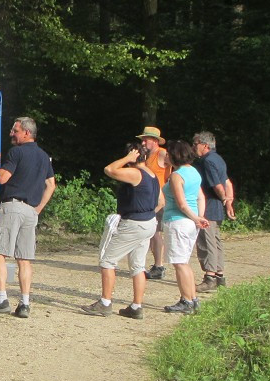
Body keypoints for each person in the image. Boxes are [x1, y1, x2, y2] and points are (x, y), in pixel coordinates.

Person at [0, 117, 56, 319]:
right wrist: (38, 209)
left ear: (27, 133)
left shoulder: (16, 152)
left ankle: (1, 299)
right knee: (24, 259)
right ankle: (24, 303)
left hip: (11, 206)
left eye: (15, 130)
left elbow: (3, 177)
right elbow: (51, 185)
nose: (12, 133)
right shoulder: (43, 156)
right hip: (30, 211)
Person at [81, 141, 162, 319]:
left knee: (107, 261)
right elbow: (161, 201)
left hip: (133, 223)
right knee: (138, 266)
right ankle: (136, 306)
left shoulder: (135, 173)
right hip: (149, 223)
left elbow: (109, 169)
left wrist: (127, 158)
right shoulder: (152, 174)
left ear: (133, 155)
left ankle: (105, 303)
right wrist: (147, 213)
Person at [161, 140, 210, 314]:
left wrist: (196, 217)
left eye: (168, 153)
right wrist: (199, 217)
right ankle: (193, 299)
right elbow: (200, 198)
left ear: (174, 155)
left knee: (179, 263)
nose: (166, 155)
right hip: (190, 223)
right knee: (185, 262)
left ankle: (186, 301)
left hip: (178, 221)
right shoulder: (194, 172)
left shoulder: (177, 175)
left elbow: (181, 204)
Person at [192, 131, 235, 291]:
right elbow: (227, 182)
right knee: (216, 241)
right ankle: (219, 275)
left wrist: (224, 199)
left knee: (206, 241)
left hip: (208, 206)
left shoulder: (207, 161)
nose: (193, 146)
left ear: (205, 145)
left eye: (195, 143)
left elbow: (217, 185)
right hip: (216, 207)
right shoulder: (218, 159)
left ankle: (210, 277)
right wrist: (228, 202)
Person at [136, 126, 171, 281]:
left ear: (155, 141)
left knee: (155, 232)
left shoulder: (161, 153)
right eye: (142, 139)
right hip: (148, 199)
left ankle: (159, 266)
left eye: (146, 139)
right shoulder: (147, 156)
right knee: (151, 233)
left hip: (159, 200)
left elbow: (177, 164)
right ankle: (156, 265)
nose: (143, 142)